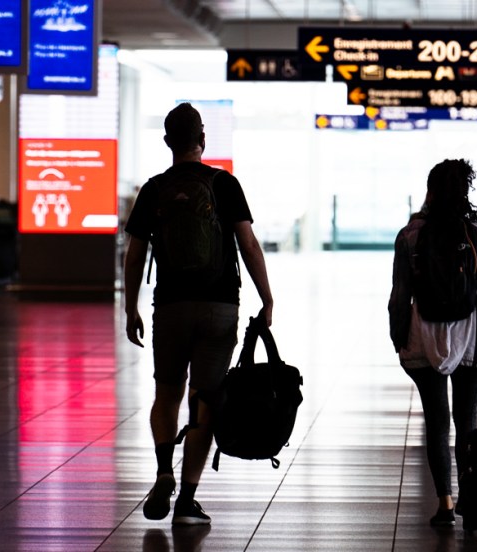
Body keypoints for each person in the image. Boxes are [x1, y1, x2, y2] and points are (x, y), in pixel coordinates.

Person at [123, 102, 274, 526]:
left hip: (169, 307)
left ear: (169, 141)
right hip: (219, 308)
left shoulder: (153, 190)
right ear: (202, 140)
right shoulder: (225, 185)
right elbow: (248, 245)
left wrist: (130, 305)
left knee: (167, 392)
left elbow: (135, 257)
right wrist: (267, 298)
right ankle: (188, 497)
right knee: (205, 401)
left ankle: (162, 471)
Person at [388, 159, 477, 528]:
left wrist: (399, 338)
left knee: (437, 423)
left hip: (423, 339)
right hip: (470, 341)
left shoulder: (409, 235)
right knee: (466, 421)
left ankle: (444, 502)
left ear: (430, 191)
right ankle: (470, 502)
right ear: (465, 192)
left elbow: (399, 296)